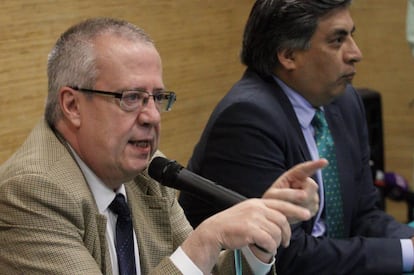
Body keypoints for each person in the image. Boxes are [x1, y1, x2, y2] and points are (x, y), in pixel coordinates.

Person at [0, 17, 325, 275]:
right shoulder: (31, 191)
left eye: (158, 98)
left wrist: (257, 244)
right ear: (72, 106)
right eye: (131, 98)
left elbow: (200, 272)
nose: (153, 116)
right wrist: (205, 241)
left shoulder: (149, 174)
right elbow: (192, 259)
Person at [178, 0, 414, 274]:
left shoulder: (343, 101)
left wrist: (407, 243)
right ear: (288, 55)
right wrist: (408, 252)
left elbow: (363, 215)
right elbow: (285, 256)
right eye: (338, 40)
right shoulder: (247, 118)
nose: (355, 53)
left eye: (352, 35)